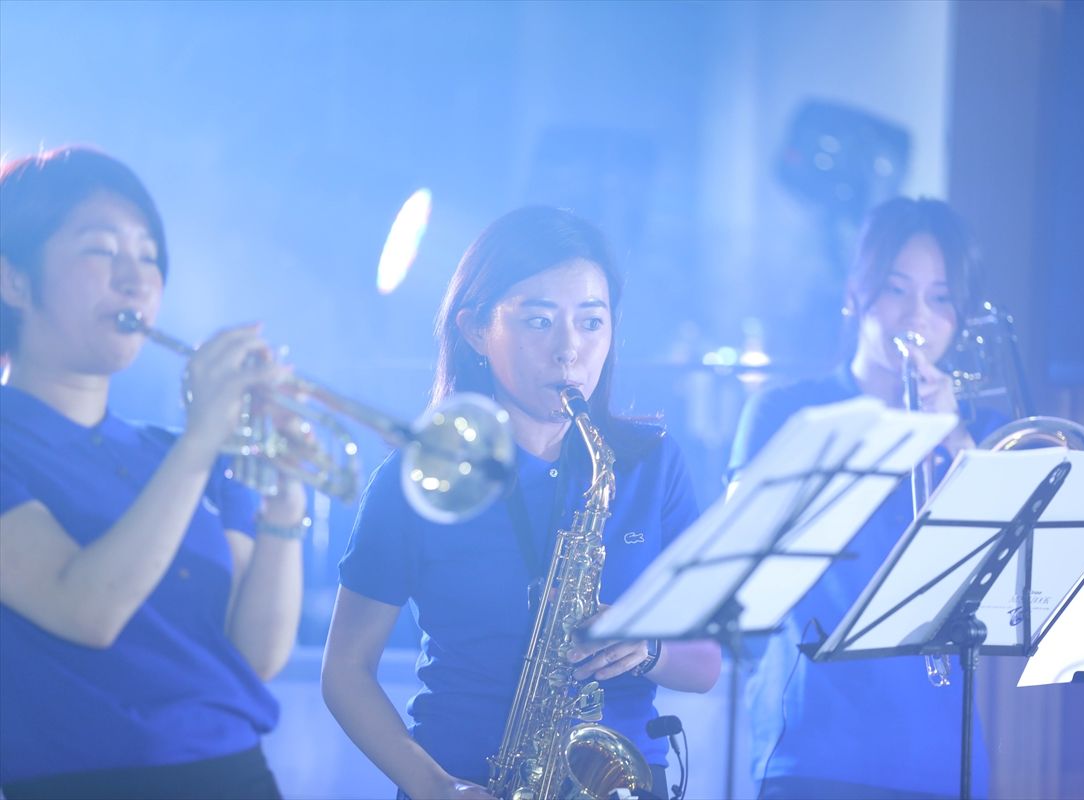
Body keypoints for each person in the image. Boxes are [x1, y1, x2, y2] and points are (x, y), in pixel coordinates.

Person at [321, 206, 722, 800]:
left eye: (592, 322)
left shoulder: (651, 463)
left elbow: (706, 664)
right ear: (475, 330)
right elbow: (345, 672)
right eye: (539, 321)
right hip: (464, 783)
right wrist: (435, 786)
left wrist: (648, 648)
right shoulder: (417, 478)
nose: (569, 350)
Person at [0, 147, 307, 799]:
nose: (135, 279)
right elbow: (86, 609)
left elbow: (253, 658)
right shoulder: (188, 453)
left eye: (148, 256)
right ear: (15, 283)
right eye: (101, 249)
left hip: (237, 774)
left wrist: (285, 509)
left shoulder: (180, 453)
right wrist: (201, 441)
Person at [728, 197, 1005, 800]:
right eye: (896, 290)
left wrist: (953, 438)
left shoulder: (980, 433)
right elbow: (742, 564)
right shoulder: (787, 410)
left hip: (945, 754)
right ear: (856, 293)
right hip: (814, 747)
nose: (918, 316)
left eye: (940, 298)